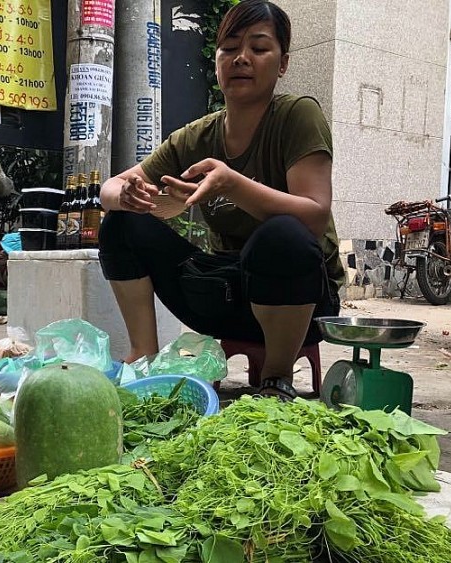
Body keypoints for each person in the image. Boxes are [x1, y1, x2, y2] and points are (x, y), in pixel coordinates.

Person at [98, 0, 344, 401]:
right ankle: (143, 355)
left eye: (258, 48)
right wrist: (126, 194)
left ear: (282, 63)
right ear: (216, 61)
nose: (241, 58)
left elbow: (314, 216)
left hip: (303, 301)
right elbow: (109, 189)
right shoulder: (197, 137)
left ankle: (276, 377)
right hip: (227, 296)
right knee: (121, 223)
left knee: (283, 233)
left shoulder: (298, 116)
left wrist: (231, 184)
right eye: (228, 48)